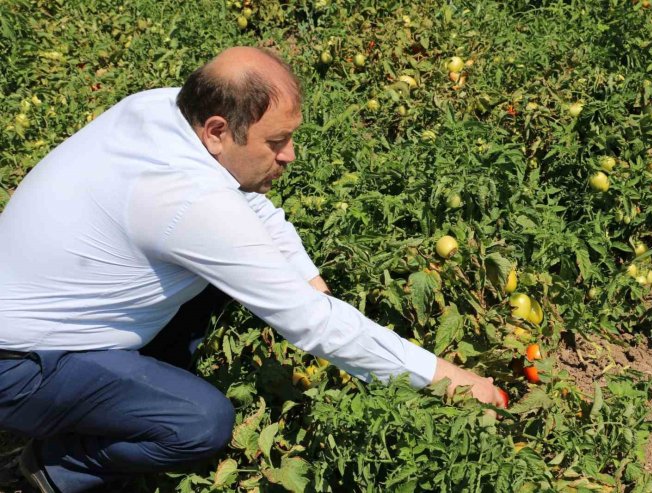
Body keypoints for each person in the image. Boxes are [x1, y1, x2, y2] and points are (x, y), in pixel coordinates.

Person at [0, 47, 507, 493]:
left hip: (40, 310)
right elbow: (316, 325)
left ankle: (144, 381)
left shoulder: (163, 108)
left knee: (233, 273)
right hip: (21, 363)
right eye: (276, 142)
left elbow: (249, 207)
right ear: (218, 130)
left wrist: (307, 278)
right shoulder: (187, 200)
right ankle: (59, 468)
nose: (290, 155)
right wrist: (452, 379)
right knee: (200, 422)